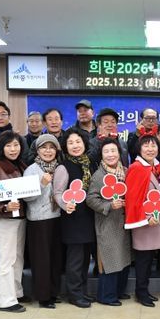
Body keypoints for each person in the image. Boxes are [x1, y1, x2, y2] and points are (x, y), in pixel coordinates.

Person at [124, 135, 160, 307]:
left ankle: (145, 290)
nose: (150, 149)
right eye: (146, 146)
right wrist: (146, 216)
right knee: (143, 259)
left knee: (150, 258)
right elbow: (132, 198)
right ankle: (141, 292)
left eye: (153, 146)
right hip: (144, 222)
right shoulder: (136, 168)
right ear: (139, 149)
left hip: (157, 221)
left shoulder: (156, 166)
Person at [0, 131, 28, 313]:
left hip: (20, 218)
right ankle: (6, 300)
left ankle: (16, 292)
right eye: (8, 145)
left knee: (17, 258)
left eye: (16, 145)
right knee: (6, 259)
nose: (13, 149)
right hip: (4, 220)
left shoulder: (21, 165)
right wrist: (4, 208)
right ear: (1, 148)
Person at [86, 138, 133, 306]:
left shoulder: (126, 171)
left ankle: (119, 292)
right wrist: (108, 205)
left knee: (124, 259)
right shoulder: (99, 175)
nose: (110, 154)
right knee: (110, 260)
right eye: (106, 152)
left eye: (113, 151)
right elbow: (91, 199)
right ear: (101, 155)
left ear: (119, 153)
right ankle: (106, 296)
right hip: (107, 224)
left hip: (124, 223)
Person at [54, 128, 96, 308]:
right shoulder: (63, 167)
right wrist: (65, 205)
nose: (75, 146)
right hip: (72, 219)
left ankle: (82, 291)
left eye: (78, 141)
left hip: (88, 218)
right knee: (75, 260)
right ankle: (74, 294)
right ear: (65, 146)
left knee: (86, 258)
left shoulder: (89, 164)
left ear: (84, 143)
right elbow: (57, 193)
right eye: (70, 143)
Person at [24, 134, 63, 308]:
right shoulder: (31, 170)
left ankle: (53, 292)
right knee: (41, 260)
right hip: (38, 221)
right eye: (44, 148)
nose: (48, 151)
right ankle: (43, 297)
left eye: (51, 147)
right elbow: (26, 197)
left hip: (56, 218)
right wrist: (41, 183)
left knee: (55, 258)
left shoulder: (59, 168)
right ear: (37, 150)